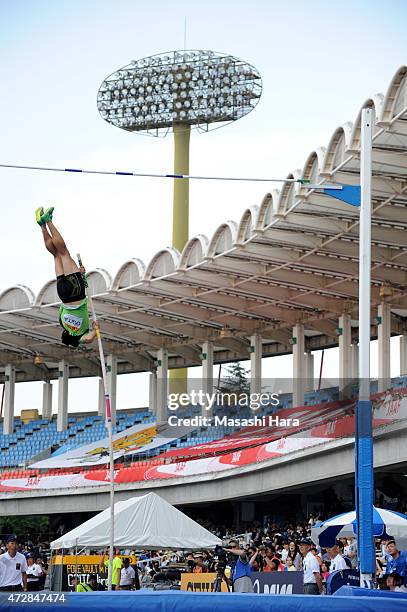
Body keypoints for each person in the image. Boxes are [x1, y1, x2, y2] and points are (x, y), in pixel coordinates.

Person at [35, 206, 97, 348]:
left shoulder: (80, 335)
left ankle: (48, 221)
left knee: (63, 253)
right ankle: (42, 226)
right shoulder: (62, 322)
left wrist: (94, 331)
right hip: (63, 294)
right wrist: (79, 273)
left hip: (76, 293)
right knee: (56, 255)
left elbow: (87, 340)